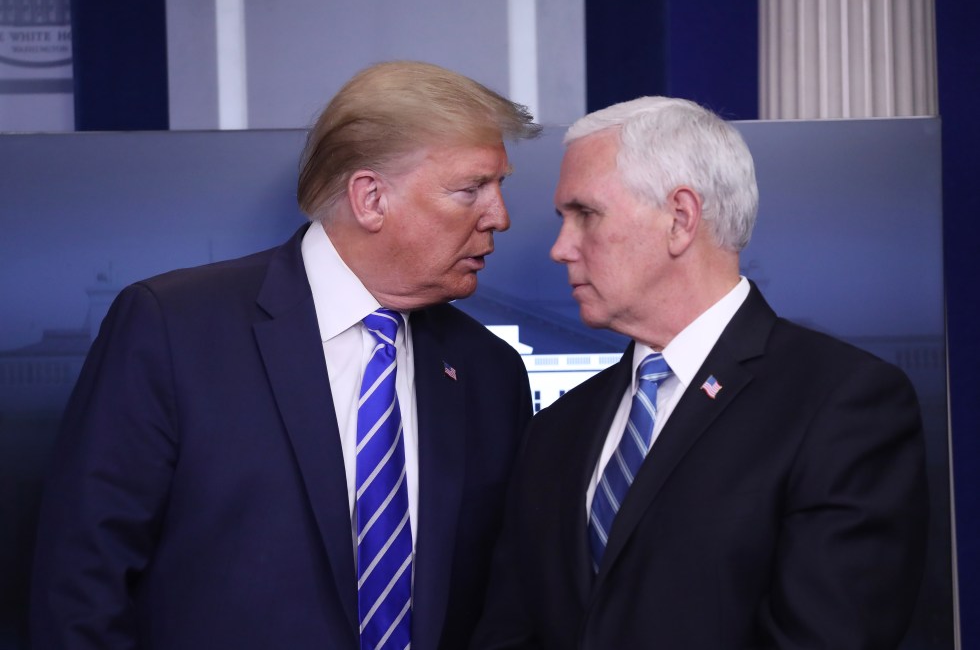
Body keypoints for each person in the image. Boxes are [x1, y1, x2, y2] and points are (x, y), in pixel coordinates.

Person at [30, 60, 541, 650]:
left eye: (499, 187)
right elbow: (79, 589)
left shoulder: (488, 371)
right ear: (370, 198)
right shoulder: (173, 329)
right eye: (471, 189)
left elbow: (501, 605)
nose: (498, 217)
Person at [471, 96, 928, 648]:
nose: (560, 248)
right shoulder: (557, 428)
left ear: (680, 219)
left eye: (585, 214)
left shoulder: (843, 405)